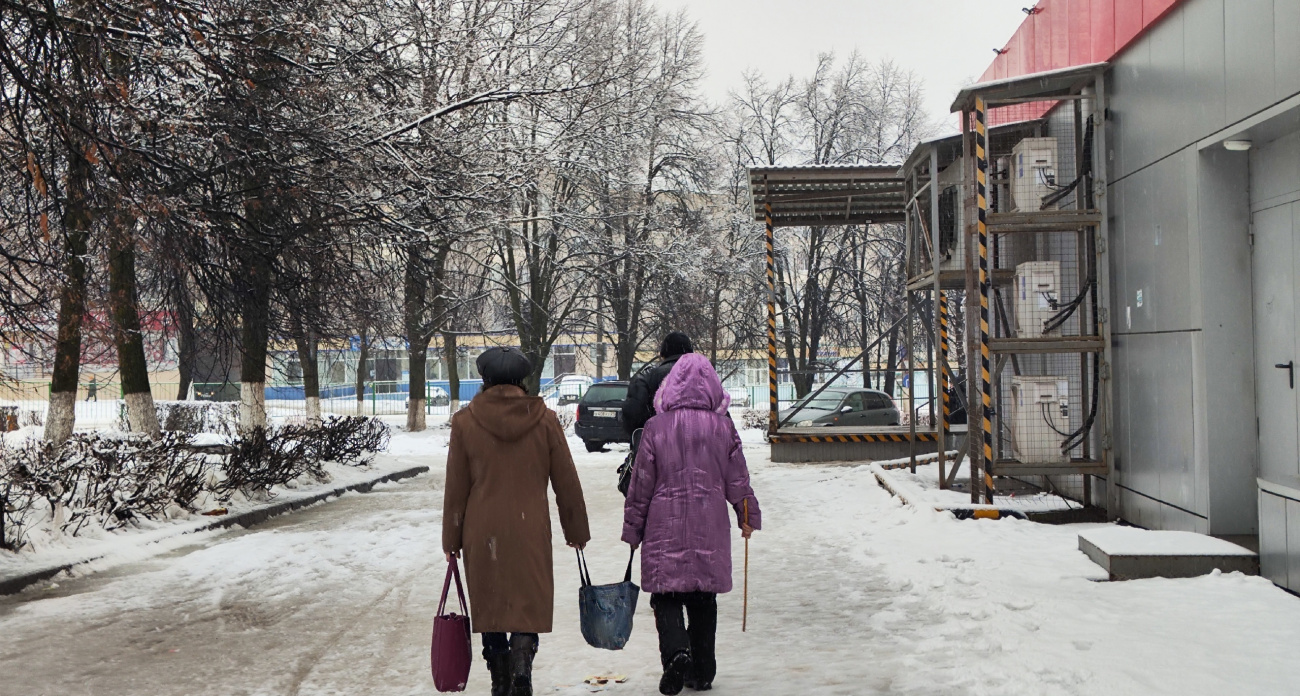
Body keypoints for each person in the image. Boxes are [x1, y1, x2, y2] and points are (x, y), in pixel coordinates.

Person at [443, 347, 591, 696]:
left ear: (485, 380)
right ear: (522, 380)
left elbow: (456, 489)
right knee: (527, 601)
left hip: (482, 531)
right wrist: (576, 529)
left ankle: (499, 677)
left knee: (491, 603)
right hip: (529, 529)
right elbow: (566, 481)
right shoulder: (545, 420)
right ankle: (522, 664)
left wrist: (452, 540)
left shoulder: (465, 422)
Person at [621, 353, 761, 695]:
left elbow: (641, 484)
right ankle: (701, 671)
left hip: (662, 526)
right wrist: (747, 515)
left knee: (665, 596)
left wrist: (633, 529)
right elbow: (738, 480)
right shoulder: (724, 427)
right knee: (702, 599)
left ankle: (677, 653)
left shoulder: (655, 427)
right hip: (708, 525)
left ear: (670, 388)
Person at [621, 331, 693, 435]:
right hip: (701, 445)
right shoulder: (704, 376)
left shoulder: (647, 377)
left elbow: (632, 414)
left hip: (659, 444)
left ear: (663, 354)